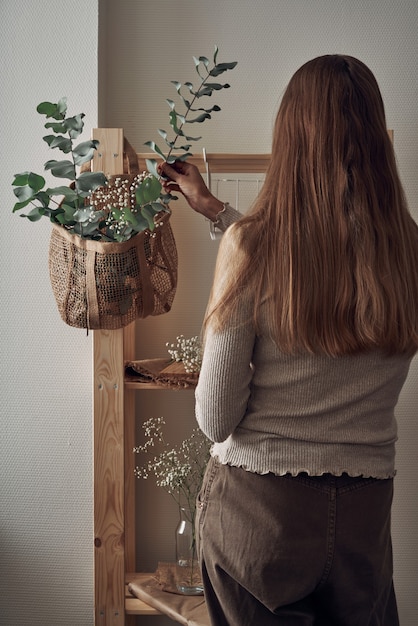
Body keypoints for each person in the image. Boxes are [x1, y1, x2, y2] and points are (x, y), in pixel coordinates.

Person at [159, 54, 418, 626]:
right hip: (365, 520)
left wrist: (224, 282)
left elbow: (216, 419)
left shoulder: (252, 247)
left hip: (261, 515)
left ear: (291, 136)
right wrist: (218, 213)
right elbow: (325, 264)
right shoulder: (408, 249)